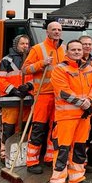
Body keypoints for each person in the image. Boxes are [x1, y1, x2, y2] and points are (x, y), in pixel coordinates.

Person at [49, 40, 92, 183]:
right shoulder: (60, 69)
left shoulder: (88, 67)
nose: (77, 52)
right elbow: (63, 92)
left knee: (79, 147)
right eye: (73, 50)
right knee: (62, 148)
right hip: (66, 116)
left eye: (79, 49)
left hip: (83, 116)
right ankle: (58, 179)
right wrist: (83, 103)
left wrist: (89, 98)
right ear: (67, 52)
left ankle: (76, 177)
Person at [23, 21, 65, 174]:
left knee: (55, 128)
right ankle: (31, 161)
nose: (56, 32)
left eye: (59, 29)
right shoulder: (38, 48)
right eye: (53, 29)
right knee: (39, 128)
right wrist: (41, 63)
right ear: (47, 32)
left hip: (59, 96)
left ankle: (49, 157)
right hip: (42, 95)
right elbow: (25, 69)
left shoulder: (63, 49)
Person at [0, 34, 33, 165]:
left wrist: (28, 87)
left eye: (27, 44)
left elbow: (36, 79)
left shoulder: (32, 61)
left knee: (23, 130)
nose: (25, 46)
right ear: (16, 44)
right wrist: (14, 90)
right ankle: (5, 154)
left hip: (26, 100)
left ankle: (20, 155)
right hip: (10, 101)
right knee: (8, 129)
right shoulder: (6, 61)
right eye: (22, 44)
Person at [79, 35, 92, 174]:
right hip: (79, 106)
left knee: (88, 135)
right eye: (84, 44)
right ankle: (80, 163)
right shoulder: (76, 62)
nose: (87, 46)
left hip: (91, 104)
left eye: (89, 44)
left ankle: (84, 161)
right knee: (80, 137)